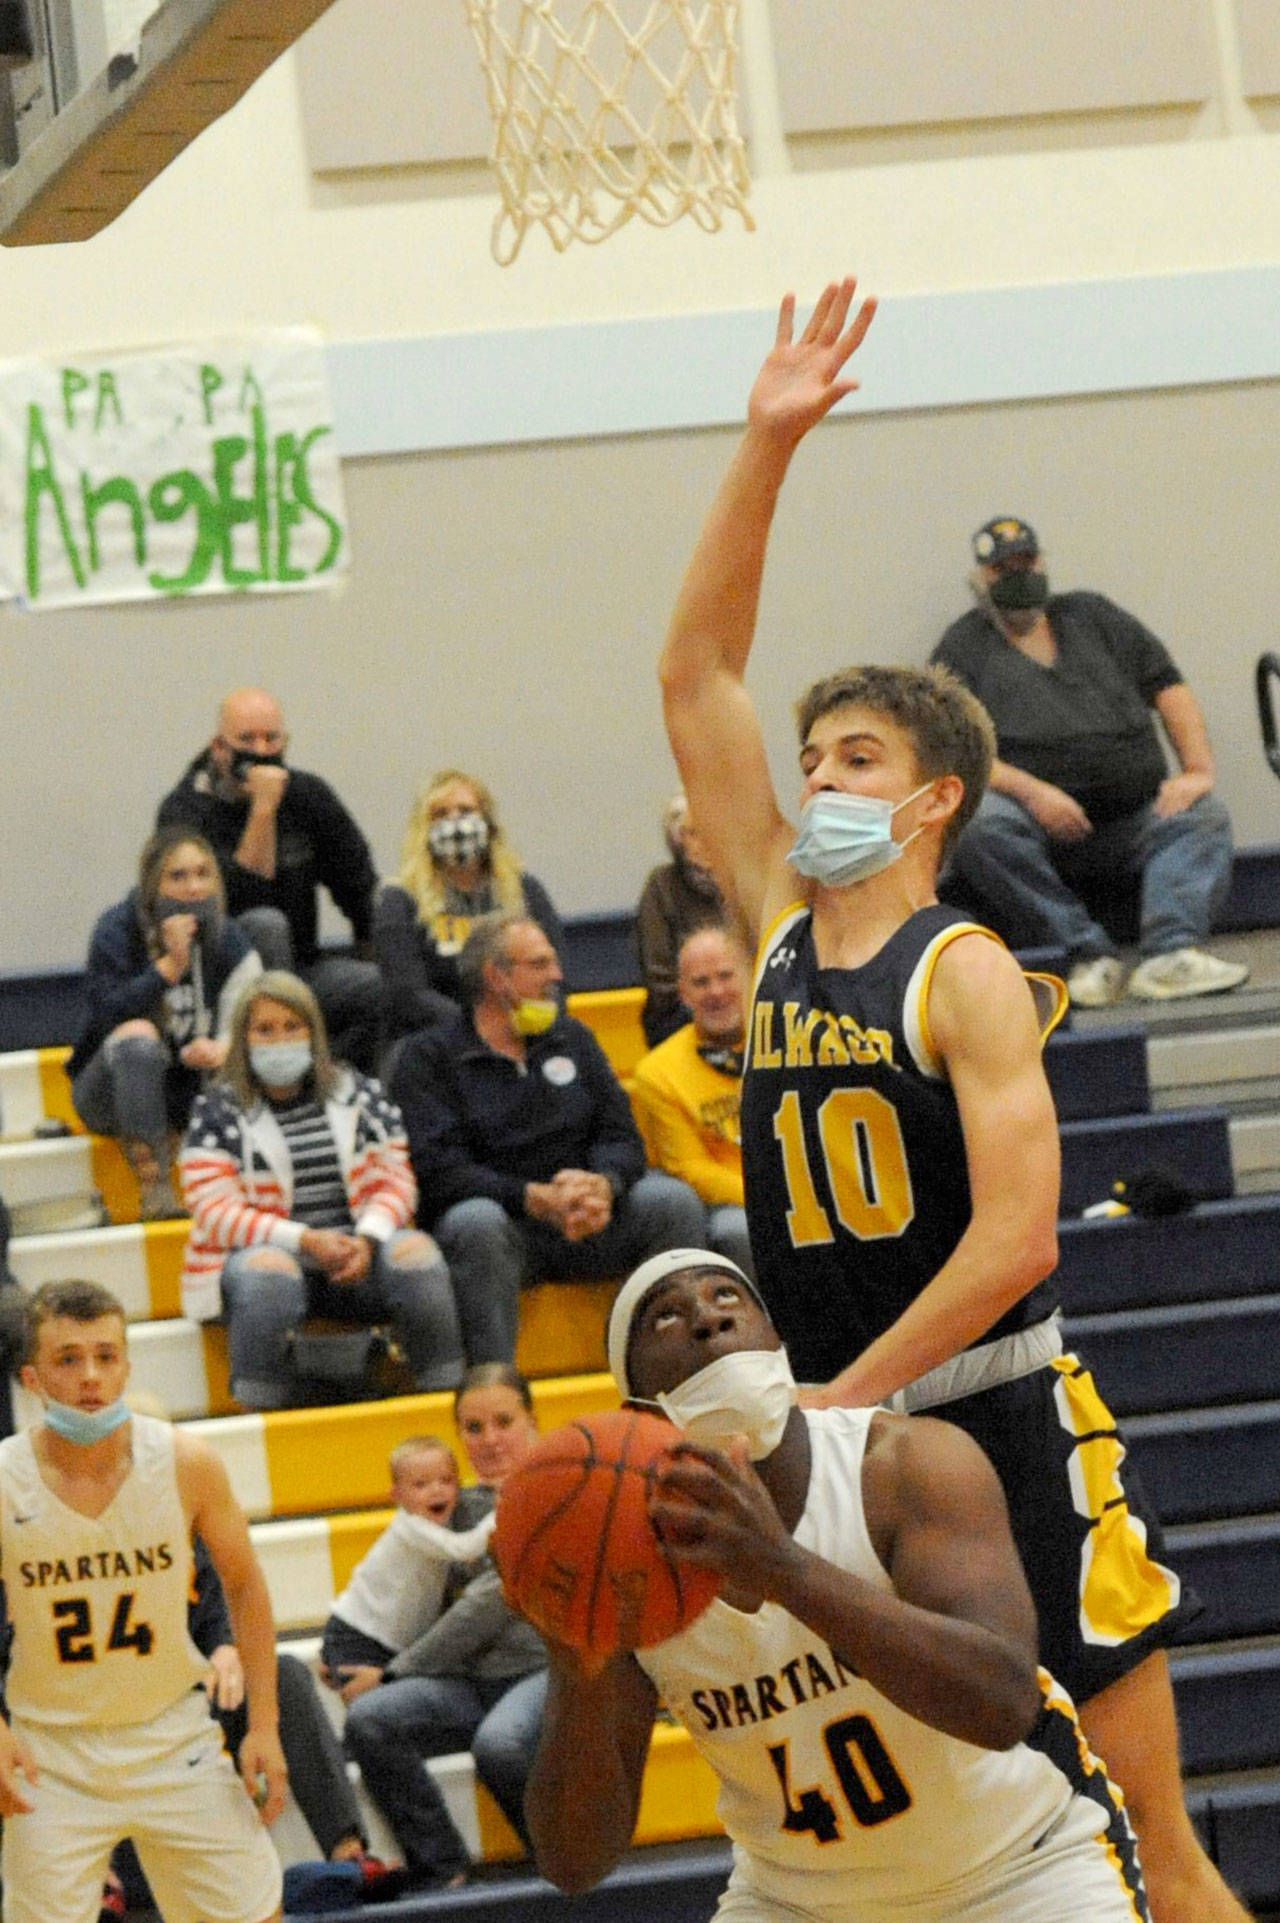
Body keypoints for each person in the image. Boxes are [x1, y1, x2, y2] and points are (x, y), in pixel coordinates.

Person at [657, 278, 1248, 1922]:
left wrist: (845, 1395)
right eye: (813, 755)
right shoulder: (775, 916)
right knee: (896, 1851)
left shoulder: (965, 968)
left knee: (1150, 1840)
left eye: (846, 756)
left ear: (929, 797)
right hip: (852, 1432)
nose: (814, 779)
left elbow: (1012, 1240)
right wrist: (766, 441)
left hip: (986, 1409)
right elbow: (695, 665)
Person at [525, 1250, 1150, 1922]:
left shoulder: (905, 1464)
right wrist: (575, 1661)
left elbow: (1001, 1703)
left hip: (1022, 1870)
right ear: (635, 1409)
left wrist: (784, 1569)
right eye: (666, 1316)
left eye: (727, 1296)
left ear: (778, 1344)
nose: (706, 1317)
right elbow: (574, 1862)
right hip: (799, 1903)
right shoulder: (624, 1560)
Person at [0, 1278, 286, 1923]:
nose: (91, 1376)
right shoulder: (2, 1478)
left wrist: (264, 1727)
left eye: (105, 1355)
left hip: (172, 1735)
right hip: (50, 1755)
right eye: (67, 1359)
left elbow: (244, 1585)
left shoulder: (187, 1462)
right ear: (32, 1378)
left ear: (128, 1364)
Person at [932, 516, 1247, 1006]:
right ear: (982, 578)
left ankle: (1170, 955)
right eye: (1003, 568)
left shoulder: (1093, 616)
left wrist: (1197, 771)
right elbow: (955, 747)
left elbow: (1168, 687)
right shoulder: (963, 646)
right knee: (979, 829)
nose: (1018, 574)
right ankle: (1086, 954)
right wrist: (1034, 793)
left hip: (1133, 818)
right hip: (1034, 829)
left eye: (1026, 562)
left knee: (1203, 815)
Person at [390, 913, 708, 1365]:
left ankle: (672, 1367)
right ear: (496, 977)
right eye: (539, 964)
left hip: (591, 1215)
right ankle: (492, 1386)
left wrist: (603, 1184)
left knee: (671, 1202)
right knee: (474, 1222)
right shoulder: (430, 1057)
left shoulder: (571, 1037)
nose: (556, 975)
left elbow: (621, 1135)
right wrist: (531, 1197)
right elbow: (439, 1170)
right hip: (509, 1228)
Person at [179, 970, 464, 1410]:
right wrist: (305, 1240)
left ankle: (447, 1395)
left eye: (293, 1026)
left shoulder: (362, 1093)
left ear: (314, 1033)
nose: (280, 1039)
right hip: (266, 1256)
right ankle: (262, 1411)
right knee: (267, 1274)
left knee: (418, 1257)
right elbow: (213, 1209)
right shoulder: (216, 1109)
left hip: (359, 1251)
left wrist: (367, 1239)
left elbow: (397, 1180)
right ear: (243, 1038)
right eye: (265, 1029)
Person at [341, 1365, 548, 1888]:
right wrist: (350, 1652)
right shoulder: (450, 1504)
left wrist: (391, 1672)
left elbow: (486, 1605)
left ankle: (566, 1866)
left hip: (547, 1672)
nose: (491, 1439)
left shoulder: (553, 1490)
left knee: (498, 1745)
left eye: (504, 1421)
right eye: (473, 1428)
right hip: (470, 1682)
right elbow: (400, 1591)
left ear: (533, 1420)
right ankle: (445, 1871)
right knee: (369, 1720)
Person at [156, 686, 383, 1069]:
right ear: (219, 748)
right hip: (216, 985)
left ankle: (325, 1077)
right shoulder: (185, 810)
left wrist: (376, 945)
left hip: (301, 970)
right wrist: (263, 811)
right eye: (246, 739)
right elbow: (243, 899)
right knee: (267, 924)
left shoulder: (308, 795)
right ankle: (273, 1061)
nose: (261, 752)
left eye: (271, 738)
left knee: (379, 987)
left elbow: (359, 888)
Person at [66, 826, 262, 1218]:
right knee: (137, 1038)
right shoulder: (117, 929)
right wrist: (168, 969)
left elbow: (251, 1005)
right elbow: (105, 1016)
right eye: (178, 876)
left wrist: (224, 1046)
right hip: (110, 1093)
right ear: (152, 882)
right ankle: (154, 1186)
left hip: (186, 1095)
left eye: (202, 873)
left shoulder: (226, 936)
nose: (193, 887)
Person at [374, 769, 566, 1047]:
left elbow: (555, 977)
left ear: (487, 822)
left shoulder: (525, 890)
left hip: (524, 1031)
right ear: (422, 827)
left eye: (465, 810)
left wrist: (523, 1025)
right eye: (440, 814)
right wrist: (485, 1027)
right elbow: (408, 995)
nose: (455, 822)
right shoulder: (398, 900)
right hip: (433, 1043)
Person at [630, 924, 754, 1279]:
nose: (716, 992)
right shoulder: (657, 1072)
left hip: (800, 1194)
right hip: (726, 1207)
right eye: (701, 982)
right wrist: (772, 1198)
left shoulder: (784, 1044)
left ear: (748, 976)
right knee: (740, 1231)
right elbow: (689, 1169)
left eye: (726, 976)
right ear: (682, 994)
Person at [319, 1435, 495, 1680]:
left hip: (388, 1642)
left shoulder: (438, 1527)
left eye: (446, 1480)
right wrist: (501, 1511)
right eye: (420, 1485)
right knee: (371, 1703)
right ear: (397, 1495)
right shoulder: (410, 1527)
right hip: (358, 1635)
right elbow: (465, 1550)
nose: (436, 1490)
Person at [636, 793, 728, 1046]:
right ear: (677, 841)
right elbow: (659, 976)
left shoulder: (743, 882)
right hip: (679, 1016)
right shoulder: (661, 885)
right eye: (692, 832)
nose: (704, 840)